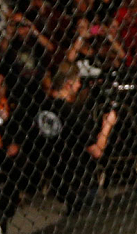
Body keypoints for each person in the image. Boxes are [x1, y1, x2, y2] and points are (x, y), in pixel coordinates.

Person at [28, 65, 117, 212]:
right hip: (81, 181)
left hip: (57, 178)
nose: (79, 85)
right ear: (68, 84)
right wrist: (107, 125)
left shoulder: (42, 108)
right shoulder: (72, 112)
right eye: (77, 82)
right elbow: (96, 151)